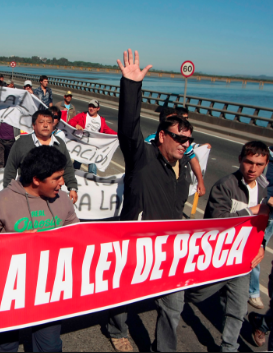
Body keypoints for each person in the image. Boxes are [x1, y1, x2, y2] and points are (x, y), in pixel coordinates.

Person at [115, 48, 189, 352]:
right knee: (125, 294)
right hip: (136, 241)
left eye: (189, 140)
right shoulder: (141, 157)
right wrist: (131, 86)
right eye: (179, 139)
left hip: (170, 247)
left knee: (173, 306)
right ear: (161, 136)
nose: (185, 145)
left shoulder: (183, 166)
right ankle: (117, 328)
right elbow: (128, 128)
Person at [0, 145, 79, 352]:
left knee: (50, 346)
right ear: (37, 179)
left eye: (62, 176)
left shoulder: (63, 200)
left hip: (49, 290)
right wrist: (17, 242)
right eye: (57, 178)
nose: (62, 183)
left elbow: (77, 236)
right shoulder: (0, 201)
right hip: (8, 290)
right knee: (6, 345)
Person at [171, 141, 270, 353]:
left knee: (238, 307)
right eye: (248, 162)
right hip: (218, 257)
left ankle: (229, 347)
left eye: (259, 164)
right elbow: (217, 223)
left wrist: (261, 245)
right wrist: (251, 210)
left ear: (266, 164)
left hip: (243, 259)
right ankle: (173, 295)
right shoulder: (225, 185)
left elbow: (263, 223)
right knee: (196, 294)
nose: (253, 169)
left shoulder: (263, 188)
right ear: (240, 160)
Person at [3, 109, 78, 203]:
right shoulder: (21, 143)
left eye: (49, 122)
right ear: (34, 125)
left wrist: (72, 187)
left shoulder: (60, 144)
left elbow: (67, 167)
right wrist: (8, 192)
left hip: (52, 197)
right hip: (26, 197)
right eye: (41, 122)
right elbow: (11, 169)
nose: (46, 125)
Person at [144, 107, 209, 197]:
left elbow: (194, 161)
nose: (185, 144)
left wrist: (200, 182)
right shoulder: (150, 142)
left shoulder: (185, 145)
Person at [248, 136, 273, 312]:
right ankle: (253, 292)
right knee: (255, 251)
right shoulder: (265, 161)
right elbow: (255, 185)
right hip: (258, 211)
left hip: (272, 215)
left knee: (259, 251)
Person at [69, 99, 117, 175]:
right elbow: (71, 121)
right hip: (82, 146)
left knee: (92, 169)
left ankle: (91, 182)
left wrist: (118, 135)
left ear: (98, 108)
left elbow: (107, 130)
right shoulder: (82, 115)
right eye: (90, 106)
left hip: (94, 147)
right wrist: (76, 125)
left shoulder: (101, 120)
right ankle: (73, 179)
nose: (91, 108)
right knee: (76, 166)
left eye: (94, 107)